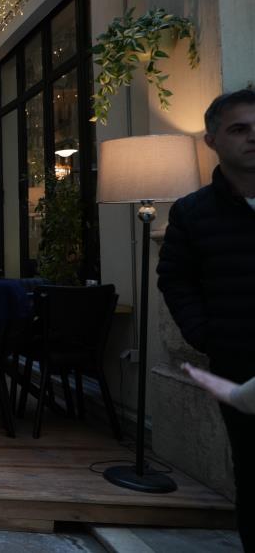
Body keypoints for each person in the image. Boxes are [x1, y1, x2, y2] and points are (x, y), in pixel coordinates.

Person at [157, 89, 255, 551]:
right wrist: (207, 335)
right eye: (239, 129)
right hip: (240, 362)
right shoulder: (193, 213)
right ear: (212, 140)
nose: (253, 137)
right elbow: (175, 280)